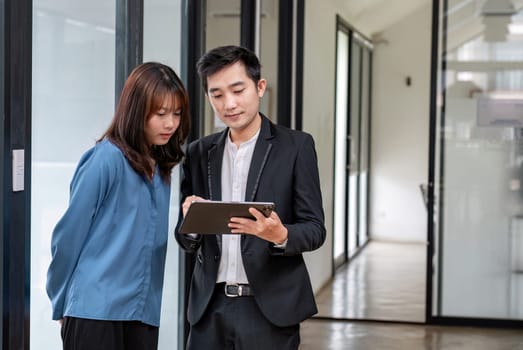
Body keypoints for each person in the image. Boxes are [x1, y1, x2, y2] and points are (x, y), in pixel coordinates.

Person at [175, 45, 326, 349]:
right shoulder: (198, 152)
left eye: (237, 90)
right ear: (208, 98)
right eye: (217, 95)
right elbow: (186, 240)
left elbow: (314, 229)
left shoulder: (296, 147)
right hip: (209, 309)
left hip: (269, 309)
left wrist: (280, 234)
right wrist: (190, 222)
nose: (228, 103)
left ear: (259, 87)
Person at [46, 62, 190, 350]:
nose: (170, 124)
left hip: (142, 313)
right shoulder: (105, 159)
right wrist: (61, 301)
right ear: (137, 111)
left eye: (176, 114)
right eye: (160, 114)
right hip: (94, 311)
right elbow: (68, 237)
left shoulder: (162, 168)